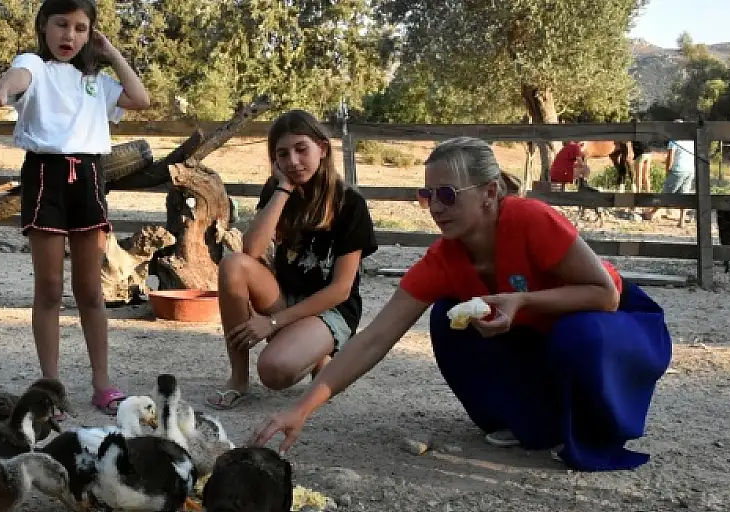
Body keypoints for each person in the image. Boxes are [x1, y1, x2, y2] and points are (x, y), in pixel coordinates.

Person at [250, 137, 673, 472]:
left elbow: (605, 294)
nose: (435, 208)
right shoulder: (444, 258)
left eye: (448, 194)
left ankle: (595, 429)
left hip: (613, 327)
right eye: (427, 195)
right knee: (448, 318)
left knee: (576, 334)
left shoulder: (531, 219)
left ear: (490, 193)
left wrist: (522, 300)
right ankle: (528, 421)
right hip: (539, 332)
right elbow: (375, 338)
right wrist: (301, 409)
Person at [0, 0, 151, 416]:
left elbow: (141, 98)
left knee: (90, 289)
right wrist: (0, 92)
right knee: (48, 289)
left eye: (81, 28)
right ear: (44, 26)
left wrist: (110, 51)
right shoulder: (36, 66)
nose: (70, 36)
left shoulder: (96, 82)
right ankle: (51, 386)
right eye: (61, 25)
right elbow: (18, 77)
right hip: (45, 177)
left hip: (89, 179)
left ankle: (102, 384)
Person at [205, 109, 378, 410]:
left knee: (275, 372)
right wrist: (283, 190)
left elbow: (340, 290)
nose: (293, 162)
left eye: (301, 149)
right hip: (285, 295)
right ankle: (238, 379)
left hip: (331, 309)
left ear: (322, 149)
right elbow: (252, 251)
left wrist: (272, 323)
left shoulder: (351, 204)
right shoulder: (278, 190)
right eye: (282, 154)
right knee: (233, 264)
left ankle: (319, 352)